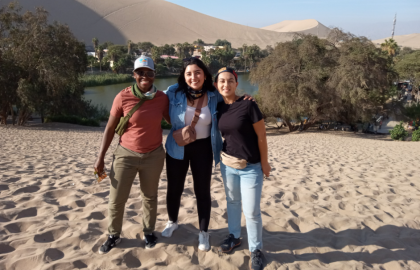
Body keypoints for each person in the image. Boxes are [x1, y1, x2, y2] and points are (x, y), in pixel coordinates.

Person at [94, 56, 170, 254]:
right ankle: (113, 235)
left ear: (154, 75)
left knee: (150, 196)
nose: (145, 76)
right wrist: (100, 156)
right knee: (117, 198)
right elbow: (110, 128)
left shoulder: (162, 98)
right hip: (125, 155)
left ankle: (148, 232)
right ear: (134, 75)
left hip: (153, 155)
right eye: (141, 73)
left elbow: (174, 121)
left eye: (149, 73)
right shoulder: (122, 97)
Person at [161, 57, 223, 251]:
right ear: (184, 76)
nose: (193, 77)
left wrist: (247, 98)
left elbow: (232, 101)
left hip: (204, 149)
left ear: (204, 75)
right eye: (189, 73)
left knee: (202, 192)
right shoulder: (173, 92)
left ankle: (204, 233)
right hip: (177, 147)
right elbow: (153, 99)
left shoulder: (215, 95)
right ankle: (172, 222)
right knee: (174, 188)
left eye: (197, 72)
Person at [214, 67, 270, 270]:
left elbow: (262, 136)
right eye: (221, 81)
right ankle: (235, 236)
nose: (226, 85)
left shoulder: (248, 105)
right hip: (228, 165)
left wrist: (265, 162)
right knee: (233, 203)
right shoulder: (218, 106)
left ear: (236, 84)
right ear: (216, 85)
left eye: (230, 81)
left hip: (251, 166)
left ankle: (256, 249)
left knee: (252, 211)